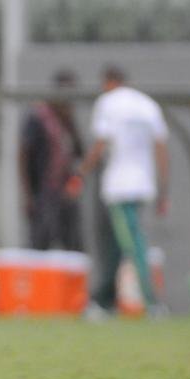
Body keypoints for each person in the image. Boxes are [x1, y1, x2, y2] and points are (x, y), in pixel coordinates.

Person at [78, 65, 170, 315]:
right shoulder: (147, 105)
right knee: (121, 242)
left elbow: (99, 145)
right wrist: (164, 190)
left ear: (109, 82)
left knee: (131, 243)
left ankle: (151, 302)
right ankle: (105, 301)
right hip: (143, 186)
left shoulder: (108, 103)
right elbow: (161, 149)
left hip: (119, 186)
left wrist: (80, 174)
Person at [19, 69, 84, 250]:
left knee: (73, 242)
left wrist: (69, 122)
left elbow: (79, 152)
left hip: (65, 192)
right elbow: (23, 155)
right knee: (41, 241)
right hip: (43, 192)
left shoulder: (66, 119)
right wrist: (28, 195)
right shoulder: (39, 116)